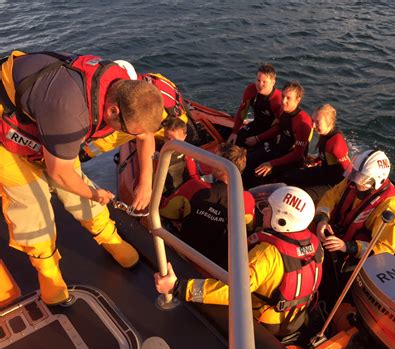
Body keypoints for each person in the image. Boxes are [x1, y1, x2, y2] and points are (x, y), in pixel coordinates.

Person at [0, 50, 164, 305]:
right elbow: (60, 174)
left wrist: (146, 181)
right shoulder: (69, 112)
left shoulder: (130, 93)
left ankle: (109, 237)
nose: (133, 136)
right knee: (31, 202)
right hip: (7, 133)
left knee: (75, 185)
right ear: (112, 111)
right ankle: (48, 273)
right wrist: (94, 194)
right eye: (128, 131)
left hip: (45, 120)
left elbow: (144, 135)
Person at [155, 186, 323, 338]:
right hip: (296, 317)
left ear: (282, 220)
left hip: (265, 322)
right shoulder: (315, 245)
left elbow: (233, 292)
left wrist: (179, 287)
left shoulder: (266, 254)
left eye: (269, 209)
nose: (263, 211)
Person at [159, 143, 255, 269]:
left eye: (214, 158)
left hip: (183, 252)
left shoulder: (194, 187)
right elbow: (248, 230)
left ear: (221, 168)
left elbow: (166, 211)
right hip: (215, 265)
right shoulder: (247, 200)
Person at [80, 66, 190, 161]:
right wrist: (88, 152)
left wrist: (87, 153)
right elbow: (113, 138)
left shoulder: (151, 89)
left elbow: (113, 138)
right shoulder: (172, 111)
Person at [314, 150, 395, 259]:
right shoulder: (351, 182)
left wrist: (347, 247)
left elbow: (385, 248)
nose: (356, 181)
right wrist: (322, 219)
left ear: (376, 181)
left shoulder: (390, 205)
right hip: (335, 236)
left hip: (356, 255)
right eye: (354, 174)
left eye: (361, 178)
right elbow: (330, 197)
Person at [242, 81, 313, 188]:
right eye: (283, 96)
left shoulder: (302, 122)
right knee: (248, 159)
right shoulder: (283, 110)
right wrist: (257, 139)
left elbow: (297, 155)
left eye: (288, 98)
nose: (283, 101)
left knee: (258, 173)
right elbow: (279, 128)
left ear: (298, 100)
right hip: (278, 150)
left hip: (291, 159)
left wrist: (271, 164)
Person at [279, 104, 350, 204]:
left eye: (317, 122)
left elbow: (348, 171)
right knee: (288, 176)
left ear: (329, 123)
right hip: (323, 172)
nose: (313, 126)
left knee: (300, 196)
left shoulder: (336, 144)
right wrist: (316, 160)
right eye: (313, 121)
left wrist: (341, 195)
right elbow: (326, 157)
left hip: (333, 183)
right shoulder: (324, 133)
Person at [227, 63, 281, 147]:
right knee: (235, 142)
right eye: (258, 80)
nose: (260, 85)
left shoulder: (277, 99)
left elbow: (280, 127)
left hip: (271, 132)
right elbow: (242, 111)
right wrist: (234, 132)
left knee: (254, 156)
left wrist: (257, 138)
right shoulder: (251, 90)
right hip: (256, 124)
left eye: (264, 82)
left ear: (273, 82)